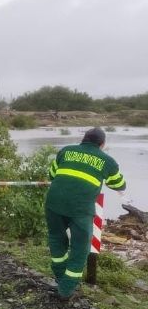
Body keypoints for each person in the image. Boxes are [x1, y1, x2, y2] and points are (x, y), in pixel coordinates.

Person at [45, 127, 126, 300]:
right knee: (80, 248)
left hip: (54, 203)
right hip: (81, 210)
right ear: (102, 144)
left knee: (56, 239)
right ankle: (66, 290)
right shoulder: (107, 161)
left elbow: (52, 174)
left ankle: (60, 277)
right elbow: (118, 183)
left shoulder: (65, 151)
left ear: (84, 139)